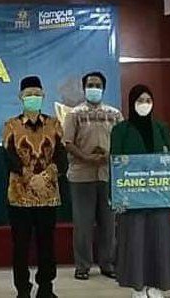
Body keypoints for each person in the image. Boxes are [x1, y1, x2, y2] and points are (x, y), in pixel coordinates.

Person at [111, 84, 170, 298]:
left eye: (148, 101)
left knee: (160, 240)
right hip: (132, 198)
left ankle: (157, 285)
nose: (144, 105)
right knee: (135, 240)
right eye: (140, 101)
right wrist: (116, 197)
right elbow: (114, 164)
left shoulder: (161, 128)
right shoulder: (120, 130)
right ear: (132, 103)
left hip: (160, 197)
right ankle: (138, 287)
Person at [2, 75, 66, 298]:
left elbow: (61, 156)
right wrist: (29, 177)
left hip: (48, 196)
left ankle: (46, 287)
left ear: (43, 96)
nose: (33, 97)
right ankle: (23, 289)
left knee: (46, 245)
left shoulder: (54, 124)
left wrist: (46, 176)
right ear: (21, 97)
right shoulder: (11, 125)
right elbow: (9, 156)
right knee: (20, 245)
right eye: (28, 94)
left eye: (36, 94)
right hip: (20, 196)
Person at [63, 71, 122, 281]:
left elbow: (121, 140)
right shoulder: (74, 114)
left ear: (103, 89)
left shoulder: (115, 114)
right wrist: (86, 157)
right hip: (81, 176)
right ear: (84, 88)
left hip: (107, 175)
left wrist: (109, 155)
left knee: (109, 224)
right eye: (90, 85)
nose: (94, 88)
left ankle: (108, 263)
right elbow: (67, 142)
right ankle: (82, 266)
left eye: (97, 85)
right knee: (83, 224)